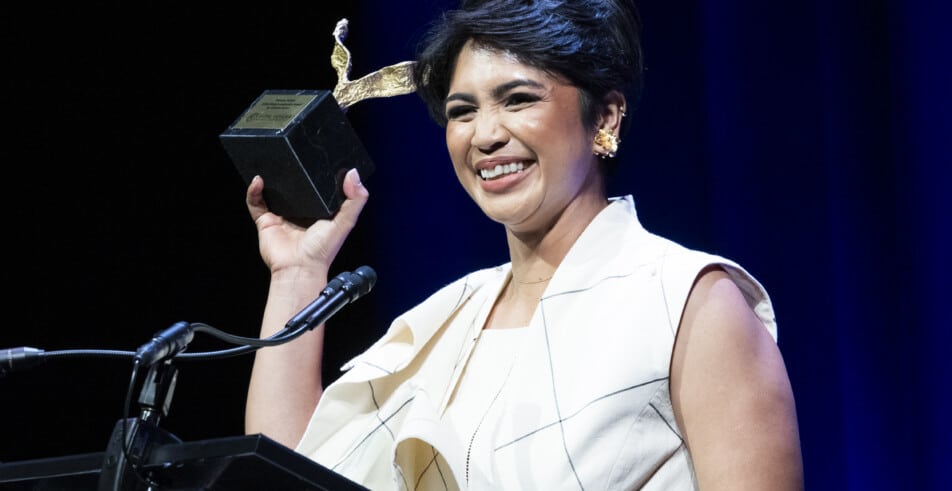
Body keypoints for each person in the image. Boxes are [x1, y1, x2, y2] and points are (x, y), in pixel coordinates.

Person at [244, 0, 804, 489]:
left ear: (604, 117)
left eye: (517, 99)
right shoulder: (445, 321)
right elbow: (289, 473)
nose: (484, 135)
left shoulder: (688, 303)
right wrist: (297, 273)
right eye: (462, 111)